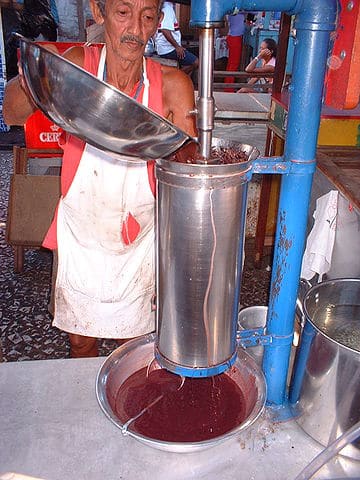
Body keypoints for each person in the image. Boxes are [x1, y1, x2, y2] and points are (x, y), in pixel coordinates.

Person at [3, 0, 197, 358]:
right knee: (80, 339)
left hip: (142, 233)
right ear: (99, 12)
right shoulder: (78, 67)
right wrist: (34, 71)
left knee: (134, 343)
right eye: (123, 13)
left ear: (158, 22)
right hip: (82, 230)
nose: (136, 30)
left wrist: (185, 153)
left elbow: (188, 160)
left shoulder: (173, 84)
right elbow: (12, 113)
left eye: (148, 17)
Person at [154, 1, 199, 77]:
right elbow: (165, 30)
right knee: (196, 62)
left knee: (188, 63)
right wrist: (177, 47)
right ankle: (175, 76)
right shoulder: (168, 9)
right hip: (169, 49)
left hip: (164, 48)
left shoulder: (164, 7)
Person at [223, 12, 246, 92]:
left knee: (231, 64)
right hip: (235, 37)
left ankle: (228, 87)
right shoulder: (238, 8)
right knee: (234, 64)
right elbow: (254, 10)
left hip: (232, 35)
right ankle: (229, 88)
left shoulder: (234, 8)